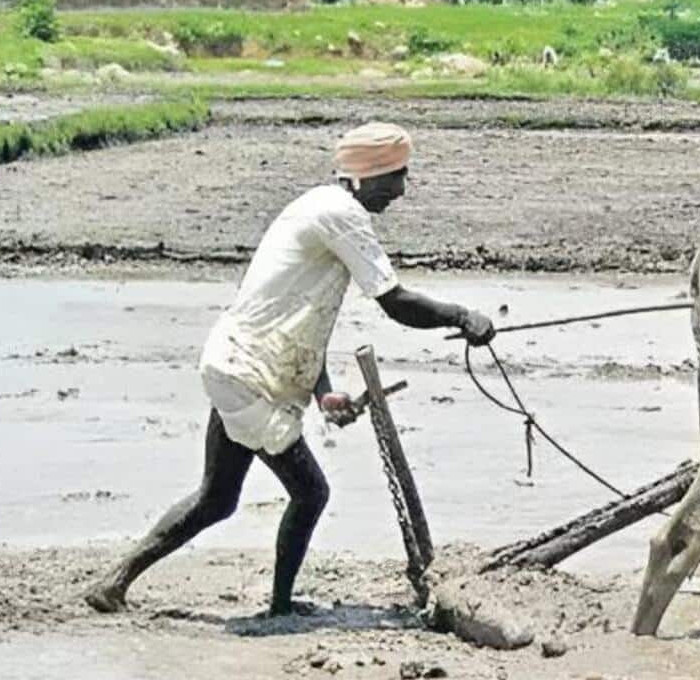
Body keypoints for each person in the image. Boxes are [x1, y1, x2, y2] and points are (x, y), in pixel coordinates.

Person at [83, 123, 495, 616]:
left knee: (215, 500)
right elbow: (396, 303)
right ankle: (278, 609)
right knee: (311, 492)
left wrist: (322, 393)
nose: (402, 190)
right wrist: (463, 317)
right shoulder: (343, 216)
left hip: (235, 363)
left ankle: (113, 582)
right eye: (395, 176)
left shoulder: (318, 205)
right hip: (253, 374)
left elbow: (300, 314)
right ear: (365, 176)